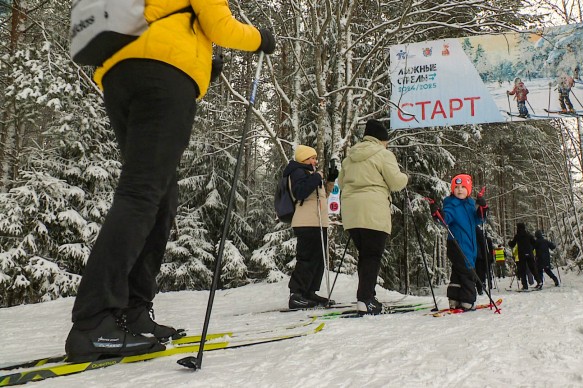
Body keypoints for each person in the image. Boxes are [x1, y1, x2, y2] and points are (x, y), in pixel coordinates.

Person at [65, 1, 276, 362]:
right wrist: (261, 39)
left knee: (160, 195)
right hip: (163, 76)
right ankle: (93, 321)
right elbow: (221, 26)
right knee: (142, 193)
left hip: (121, 75)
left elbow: (161, 21)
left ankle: (133, 311)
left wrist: (201, 63)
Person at [339, 119, 408, 315]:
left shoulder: (350, 156)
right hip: (373, 210)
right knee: (372, 255)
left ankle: (367, 294)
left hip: (352, 212)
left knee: (365, 254)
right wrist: (405, 177)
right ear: (381, 139)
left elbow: (341, 182)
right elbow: (395, 182)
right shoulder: (383, 154)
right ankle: (365, 299)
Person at [284, 145, 336, 309]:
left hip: (317, 221)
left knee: (318, 258)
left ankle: (309, 291)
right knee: (307, 258)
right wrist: (315, 178)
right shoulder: (297, 171)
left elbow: (321, 196)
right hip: (306, 221)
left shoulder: (310, 173)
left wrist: (330, 180)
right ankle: (297, 293)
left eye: (315, 157)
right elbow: (300, 192)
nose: (315, 160)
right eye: (311, 158)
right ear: (303, 159)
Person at [443, 174, 487, 311]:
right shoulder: (452, 204)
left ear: (468, 189)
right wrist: (439, 214)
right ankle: (467, 300)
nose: (459, 190)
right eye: (456, 187)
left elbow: (479, 220)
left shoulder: (469, 205)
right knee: (468, 271)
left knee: (458, 271)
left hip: (469, 245)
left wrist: (482, 207)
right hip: (457, 244)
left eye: (463, 187)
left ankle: (454, 299)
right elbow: (445, 218)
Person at [508, 223, 541, 290]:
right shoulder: (528, 235)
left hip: (522, 255)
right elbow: (534, 243)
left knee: (522, 270)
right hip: (529, 254)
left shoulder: (517, 236)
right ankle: (539, 281)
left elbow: (512, 244)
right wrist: (531, 249)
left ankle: (525, 286)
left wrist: (509, 242)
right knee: (532, 269)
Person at [474, 226, 494, 294]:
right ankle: (486, 283)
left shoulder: (477, 239)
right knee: (485, 271)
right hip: (484, 257)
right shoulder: (487, 240)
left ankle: (482, 285)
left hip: (481, 257)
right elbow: (491, 250)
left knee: (480, 271)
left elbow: (490, 249)